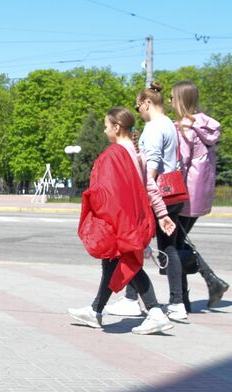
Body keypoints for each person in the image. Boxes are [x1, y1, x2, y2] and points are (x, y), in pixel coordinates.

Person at [69, 107, 177, 335]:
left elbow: (107, 191)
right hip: (135, 218)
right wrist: (162, 214)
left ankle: (155, 312)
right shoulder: (139, 153)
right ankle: (95, 310)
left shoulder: (116, 153)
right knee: (114, 263)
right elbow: (150, 187)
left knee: (128, 264)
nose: (105, 129)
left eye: (106, 125)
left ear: (116, 127)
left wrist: (97, 210)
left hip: (120, 220)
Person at [104, 83, 189, 322]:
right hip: (174, 193)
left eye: (137, 105)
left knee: (134, 245)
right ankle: (177, 303)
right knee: (169, 247)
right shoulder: (172, 126)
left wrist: (139, 194)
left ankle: (132, 300)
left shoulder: (153, 128)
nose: (137, 110)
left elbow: (151, 166)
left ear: (147, 102)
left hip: (156, 194)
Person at [171, 80, 231, 309]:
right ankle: (197, 290)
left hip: (185, 193)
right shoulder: (205, 126)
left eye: (171, 97)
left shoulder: (185, 129)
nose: (169, 101)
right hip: (201, 193)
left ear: (180, 100)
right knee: (178, 242)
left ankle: (200, 287)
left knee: (174, 246)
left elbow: (181, 165)